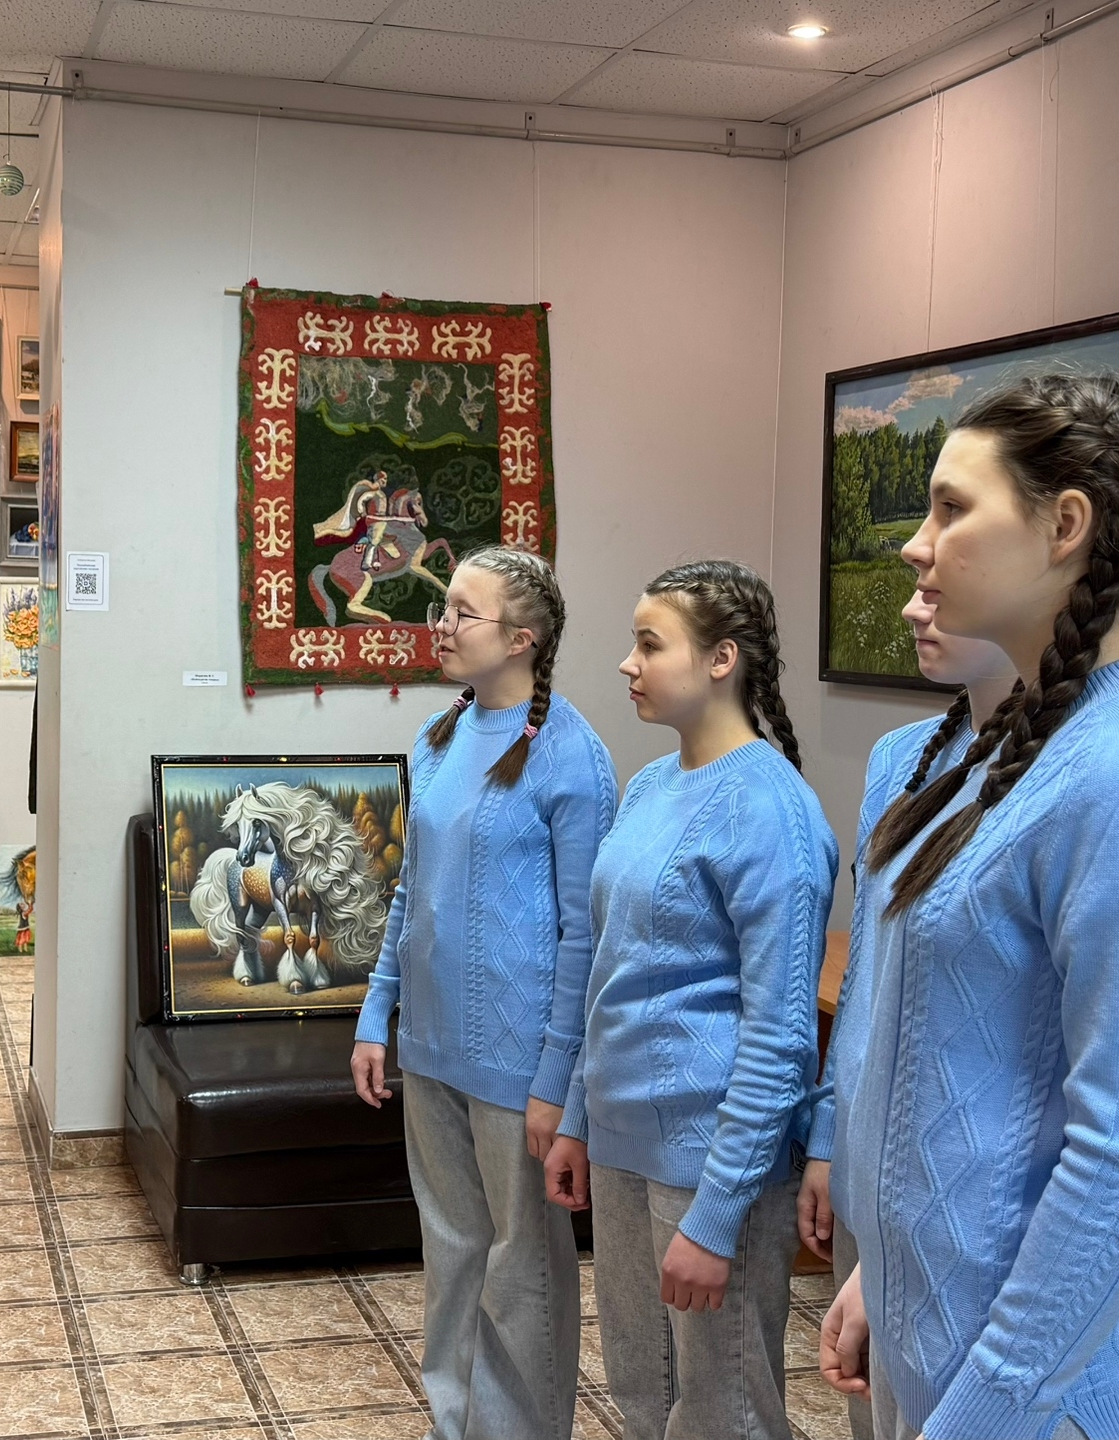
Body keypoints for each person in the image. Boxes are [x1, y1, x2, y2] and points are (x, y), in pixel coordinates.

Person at [816, 373, 1119, 1440]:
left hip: (1056, 1396)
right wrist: (888, 1270)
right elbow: (961, 1067)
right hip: (951, 1343)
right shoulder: (1023, 744)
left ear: (1065, 527)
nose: (915, 546)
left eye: (951, 509)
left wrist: (987, 1409)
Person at [542, 559, 834, 1440]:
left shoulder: (774, 811)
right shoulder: (649, 787)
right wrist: (578, 1119)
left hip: (712, 1161)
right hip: (622, 1145)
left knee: (723, 1409)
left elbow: (782, 1038)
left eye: (649, 644)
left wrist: (716, 1218)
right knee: (640, 1388)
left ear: (721, 659)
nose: (627, 664)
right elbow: (614, 973)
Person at [350, 546, 616, 1440]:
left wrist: (558, 1081)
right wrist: (376, 1013)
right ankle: (453, 1424)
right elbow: (409, 888)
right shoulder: (438, 736)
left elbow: (585, 936)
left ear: (521, 638)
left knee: (523, 1269)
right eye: (445, 608)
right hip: (430, 1048)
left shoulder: (574, 758)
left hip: (519, 1062)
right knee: (453, 1248)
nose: (442, 625)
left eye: (463, 612)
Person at [797, 588, 1017, 1440]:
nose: (913, 607)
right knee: (871, 1414)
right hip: (872, 1173)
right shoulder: (901, 759)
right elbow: (867, 978)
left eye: (937, 592)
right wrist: (830, 1138)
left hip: (967, 1198)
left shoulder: (1076, 767)